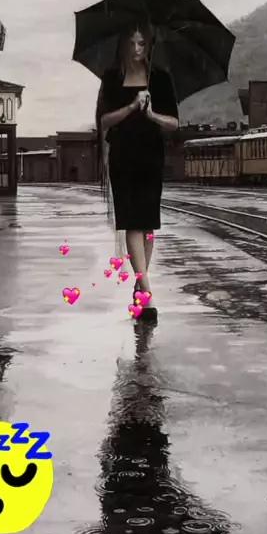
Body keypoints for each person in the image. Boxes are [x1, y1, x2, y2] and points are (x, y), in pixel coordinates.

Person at [96, 24, 179, 320]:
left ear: (149, 46)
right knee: (133, 222)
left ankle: (140, 284)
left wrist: (151, 113)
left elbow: (174, 123)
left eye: (142, 43)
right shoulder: (112, 78)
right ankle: (147, 293)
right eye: (131, 43)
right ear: (122, 45)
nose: (136, 49)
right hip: (123, 157)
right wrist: (132, 106)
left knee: (148, 225)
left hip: (151, 157)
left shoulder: (161, 79)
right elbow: (103, 121)